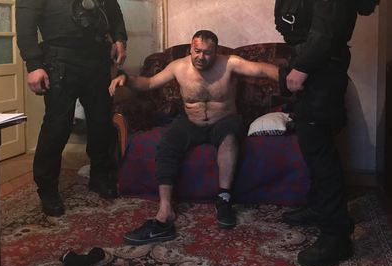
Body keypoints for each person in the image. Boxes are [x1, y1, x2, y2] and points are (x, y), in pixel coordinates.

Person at [268, 0, 380, 266]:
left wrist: (302, 67)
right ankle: (319, 207)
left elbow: (328, 26)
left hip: (320, 67)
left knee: (320, 150)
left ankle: (337, 235)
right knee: (313, 142)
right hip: (315, 64)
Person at [109, 30, 279, 245]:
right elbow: (150, 83)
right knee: (167, 144)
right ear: (191, 48)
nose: (201, 57)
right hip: (191, 121)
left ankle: (224, 199)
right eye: (197, 51)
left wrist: (288, 76)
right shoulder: (179, 67)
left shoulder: (230, 63)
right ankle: (165, 211)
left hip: (224, 121)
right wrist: (126, 79)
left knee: (229, 139)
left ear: (216, 52)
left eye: (207, 53)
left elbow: (262, 69)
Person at [16, 0, 127, 217]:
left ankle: (101, 177)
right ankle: (47, 189)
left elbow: (115, 13)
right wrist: (33, 65)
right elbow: (25, 24)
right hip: (59, 60)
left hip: (96, 59)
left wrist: (120, 39)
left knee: (101, 123)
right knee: (57, 126)